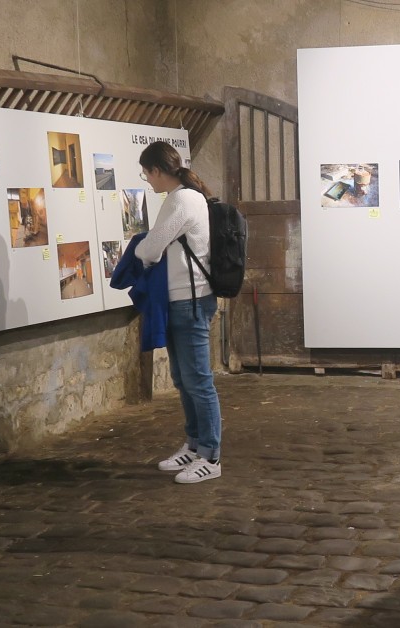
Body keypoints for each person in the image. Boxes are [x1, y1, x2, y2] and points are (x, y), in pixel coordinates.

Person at [135, 141, 225, 484]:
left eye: (147, 174)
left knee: (199, 382)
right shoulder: (179, 198)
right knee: (183, 380)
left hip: (191, 300)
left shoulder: (184, 199)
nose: (148, 180)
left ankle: (211, 456)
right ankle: (194, 445)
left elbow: (153, 246)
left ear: (157, 170)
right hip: (179, 301)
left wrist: (142, 251)